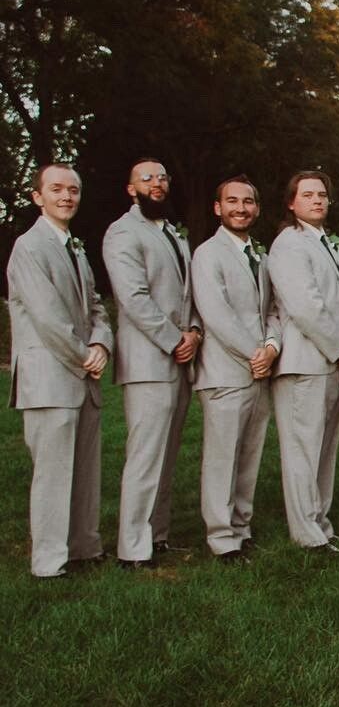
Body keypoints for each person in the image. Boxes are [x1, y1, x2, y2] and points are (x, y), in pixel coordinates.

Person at [7, 163, 112, 578]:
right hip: (50, 377)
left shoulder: (76, 248)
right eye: (56, 189)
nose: (66, 196)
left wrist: (102, 342)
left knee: (85, 467)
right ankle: (49, 562)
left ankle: (85, 545)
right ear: (38, 197)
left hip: (82, 372)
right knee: (52, 473)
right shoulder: (28, 247)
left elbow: (97, 305)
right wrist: (84, 355)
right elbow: (47, 317)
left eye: (73, 189)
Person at [102, 156, 201, 568]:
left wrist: (194, 332)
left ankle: (157, 536)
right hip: (148, 362)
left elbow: (187, 294)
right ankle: (133, 548)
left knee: (167, 454)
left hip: (179, 359)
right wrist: (174, 339)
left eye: (162, 177)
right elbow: (133, 298)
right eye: (147, 178)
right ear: (131, 188)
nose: (156, 184)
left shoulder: (174, 234)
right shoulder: (122, 233)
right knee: (144, 456)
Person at [267, 170, 339, 554]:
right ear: (291, 202)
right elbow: (306, 307)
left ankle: (320, 522)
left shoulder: (327, 243)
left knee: (324, 448)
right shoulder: (289, 244)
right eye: (308, 195)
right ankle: (306, 535)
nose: (318, 200)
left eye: (322, 194)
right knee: (303, 451)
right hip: (304, 362)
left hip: (330, 360)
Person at [190, 176, 280, 563]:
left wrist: (273, 346)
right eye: (232, 201)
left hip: (261, 371)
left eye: (247, 201)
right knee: (222, 457)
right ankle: (221, 537)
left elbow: (276, 308)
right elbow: (216, 314)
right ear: (217, 208)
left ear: (257, 208)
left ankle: (242, 528)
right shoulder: (208, 254)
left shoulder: (260, 256)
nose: (240, 208)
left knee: (250, 455)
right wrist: (254, 353)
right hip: (226, 373)